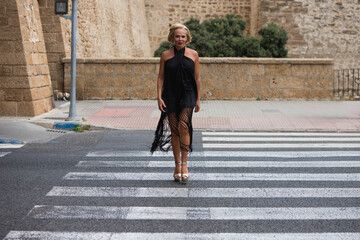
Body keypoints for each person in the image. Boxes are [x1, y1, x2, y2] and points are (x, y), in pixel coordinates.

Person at [151, 23, 201, 183]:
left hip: (188, 94)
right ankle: (177, 165)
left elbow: (197, 78)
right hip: (170, 94)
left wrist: (198, 99)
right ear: (172, 38)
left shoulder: (194, 54)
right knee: (174, 130)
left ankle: (185, 164)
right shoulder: (165, 55)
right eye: (177, 36)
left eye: (183, 36)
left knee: (183, 126)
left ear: (187, 38)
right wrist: (159, 97)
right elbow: (161, 77)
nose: (180, 39)